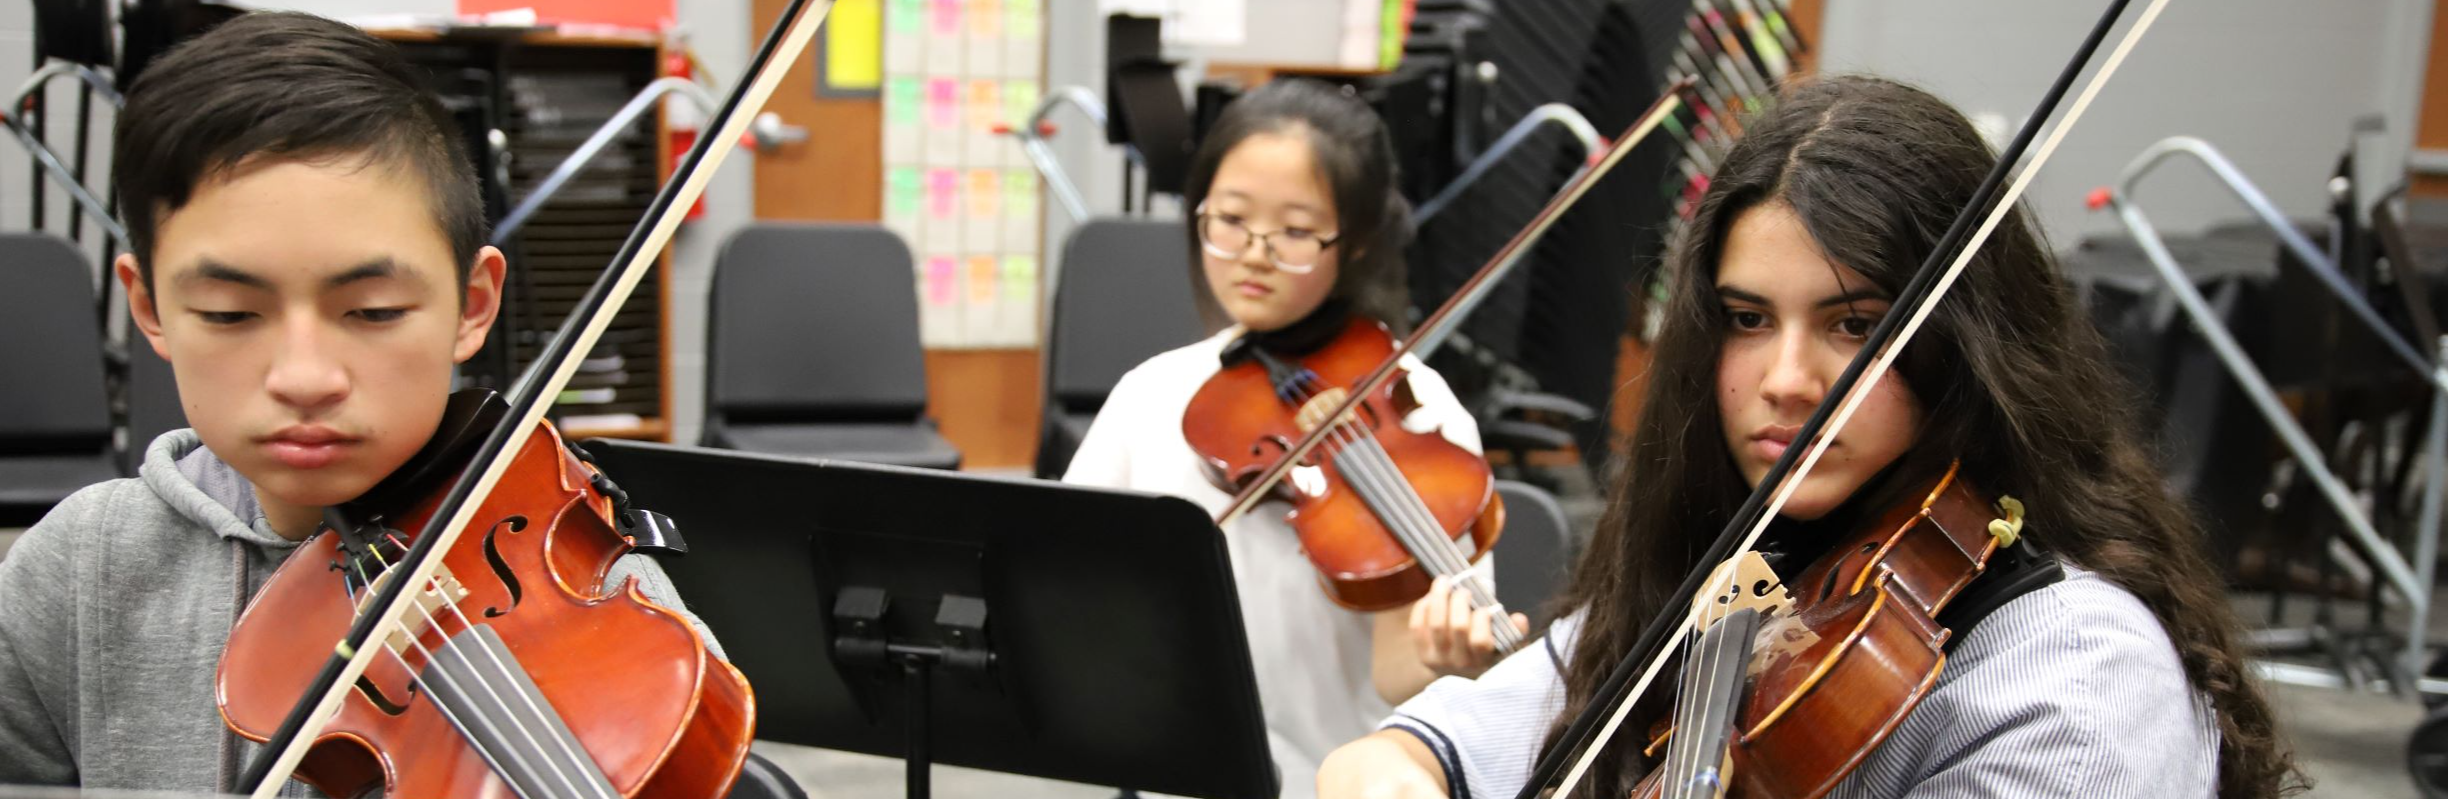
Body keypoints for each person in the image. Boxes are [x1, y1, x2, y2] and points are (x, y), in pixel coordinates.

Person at [1316, 75, 2302, 799]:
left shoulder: (2081, 674)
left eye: (1854, 326)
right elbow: (1391, 759)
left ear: (1966, 345)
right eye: (1747, 319)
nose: (1785, 383)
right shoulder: (1744, 571)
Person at [0, 11, 723, 792]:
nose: (305, 377)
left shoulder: (595, 588)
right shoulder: (85, 562)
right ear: (149, 310)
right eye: (230, 314)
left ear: (473, 305)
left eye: (373, 311)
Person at [1061, 78, 1521, 798]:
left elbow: (1396, 677)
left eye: (1297, 232)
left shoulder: (1424, 417)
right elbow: (1071, 585)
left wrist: (1447, 653)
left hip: (1338, 781)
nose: (1255, 252)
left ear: (1358, 240)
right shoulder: (1153, 394)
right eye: (1230, 219)